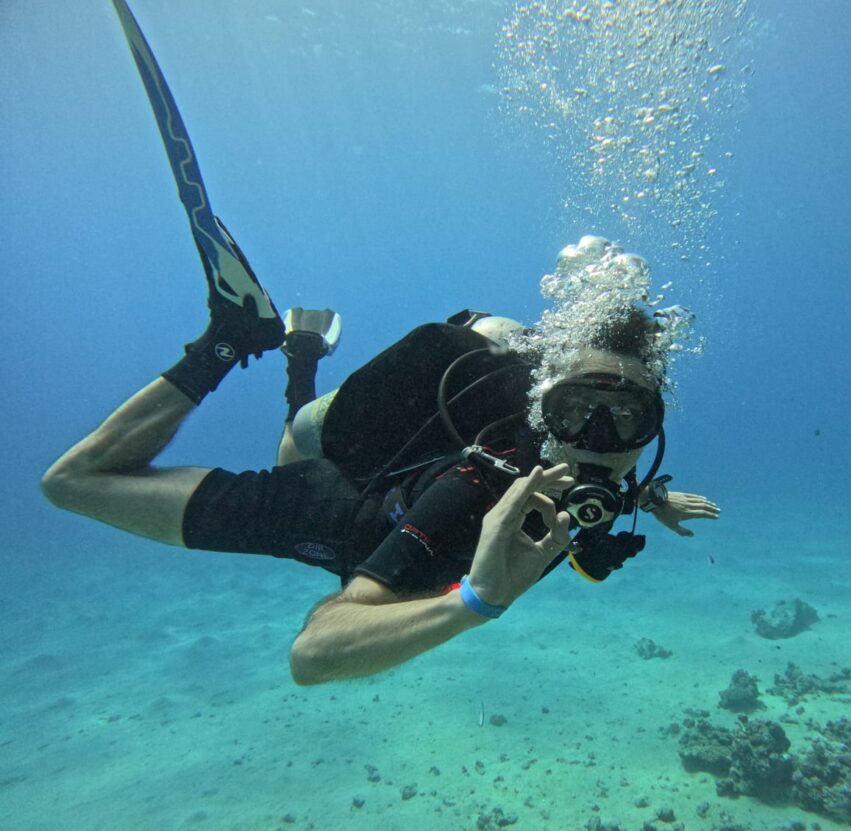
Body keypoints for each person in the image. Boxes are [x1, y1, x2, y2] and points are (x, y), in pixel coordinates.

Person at [41, 235, 719, 684]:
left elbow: (605, 486)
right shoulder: (478, 484)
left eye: (628, 417)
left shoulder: (601, 474)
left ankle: (300, 353)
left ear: (653, 426)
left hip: (389, 469)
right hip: (330, 512)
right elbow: (312, 655)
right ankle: (225, 341)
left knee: (291, 438)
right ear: (544, 408)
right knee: (72, 484)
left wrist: (649, 500)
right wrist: (473, 602)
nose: (595, 440)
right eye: (574, 412)